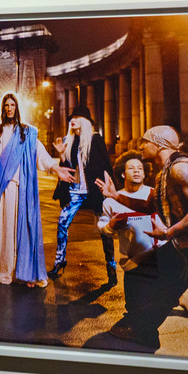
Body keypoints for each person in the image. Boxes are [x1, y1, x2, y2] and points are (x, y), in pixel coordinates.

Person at [95, 125, 188, 348]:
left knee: (171, 287)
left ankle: (141, 329)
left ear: (158, 143)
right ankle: (142, 329)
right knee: (162, 286)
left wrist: (168, 232)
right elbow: (149, 205)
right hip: (185, 248)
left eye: (145, 141)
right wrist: (116, 195)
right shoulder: (164, 173)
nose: (141, 146)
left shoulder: (181, 169)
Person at [0, 93, 74, 287]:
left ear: (17, 108)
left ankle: (26, 272)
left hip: (23, 189)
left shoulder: (27, 132)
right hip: (4, 188)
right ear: (3, 108)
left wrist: (56, 168)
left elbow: (42, 155)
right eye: (6, 105)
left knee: (23, 229)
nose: (9, 108)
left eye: (13, 105)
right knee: (2, 228)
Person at [48, 106, 116, 283]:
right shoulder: (68, 140)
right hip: (76, 192)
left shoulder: (95, 139)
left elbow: (106, 165)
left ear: (85, 121)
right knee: (62, 223)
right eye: (72, 117)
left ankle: (111, 265)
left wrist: (109, 189)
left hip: (95, 190)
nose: (73, 119)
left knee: (104, 230)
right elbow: (68, 166)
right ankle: (59, 261)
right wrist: (62, 155)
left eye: (77, 116)